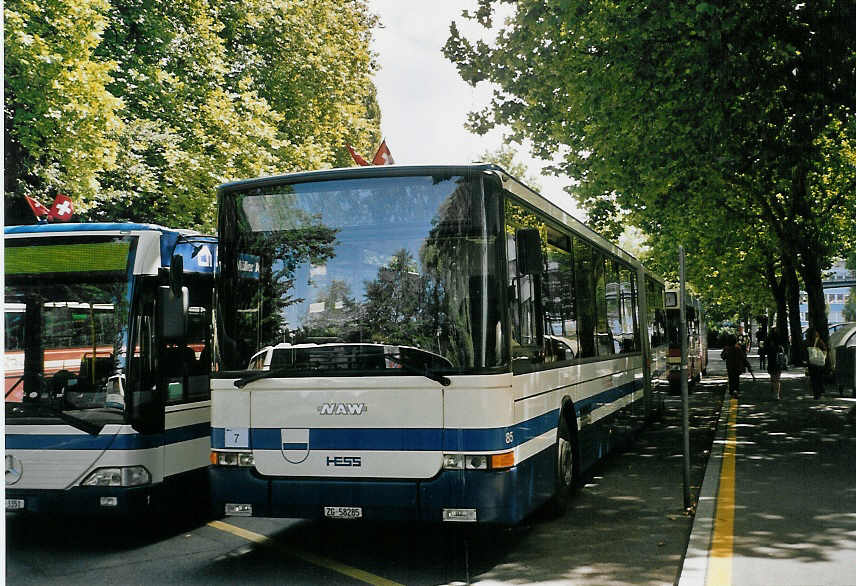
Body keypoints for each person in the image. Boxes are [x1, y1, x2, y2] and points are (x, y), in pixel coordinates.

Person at [722, 334, 754, 398]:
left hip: (730, 367)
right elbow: (743, 358)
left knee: (731, 379)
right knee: (736, 380)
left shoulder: (727, 349)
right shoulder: (738, 348)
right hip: (737, 367)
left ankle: (732, 391)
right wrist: (749, 367)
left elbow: (723, 357)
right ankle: (735, 391)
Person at [807, 328, 827, 399]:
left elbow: (806, 352)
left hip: (811, 363)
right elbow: (825, 349)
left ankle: (816, 394)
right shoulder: (820, 341)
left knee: (814, 379)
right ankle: (820, 392)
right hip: (819, 363)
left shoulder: (808, 342)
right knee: (819, 378)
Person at [765, 327, 784, 399]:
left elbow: (765, 350)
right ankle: (777, 394)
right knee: (778, 379)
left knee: (773, 378)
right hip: (778, 361)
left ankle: (773, 392)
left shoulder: (768, 340)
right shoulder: (779, 341)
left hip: (771, 361)